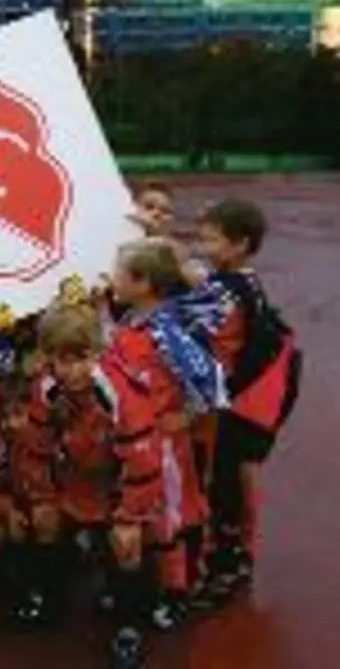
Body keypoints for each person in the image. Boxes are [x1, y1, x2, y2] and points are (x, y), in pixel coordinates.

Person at [13, 303, 164, 669]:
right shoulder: (46, 388)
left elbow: (143, 463)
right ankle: (49, 601)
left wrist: (128, 515)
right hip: (74, 477)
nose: (70, 370)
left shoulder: (120, 394)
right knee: (45, 521)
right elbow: (35, 447)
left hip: (118, 480)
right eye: (59, 359)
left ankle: (129, 627)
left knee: (126, 547)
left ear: (97, 352)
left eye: (80, 358)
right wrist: (41, 496)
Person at [105, 239, 221, 625]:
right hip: (136, 437)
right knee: (142, 512)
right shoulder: (130, 321)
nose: (112, 277)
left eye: (119, 272)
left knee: (169, 515)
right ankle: (148, 585)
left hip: (164, 441)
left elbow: (207, 378)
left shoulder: (166, 331)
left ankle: (176, 592)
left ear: (142, 283)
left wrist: (186, 417)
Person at [194, 197, 301, 601]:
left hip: (235, 401)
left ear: (239, 244)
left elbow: (181, 314)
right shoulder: (246, 282)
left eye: (212, 241)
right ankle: (238, 554)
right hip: (249, 400)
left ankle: (227, 563)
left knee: (224, 481)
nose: (205, 249)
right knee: (236, 475)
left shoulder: (227, 288)